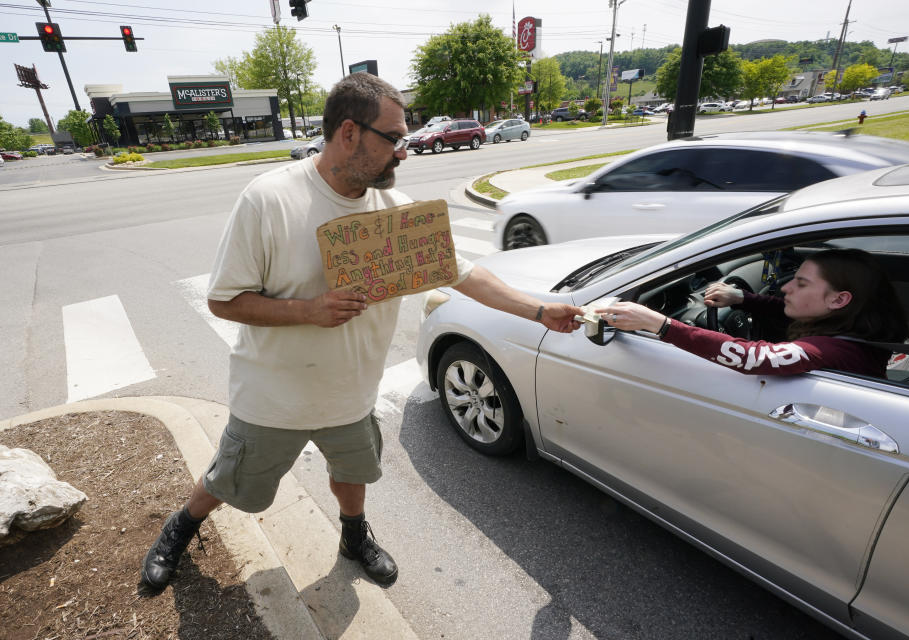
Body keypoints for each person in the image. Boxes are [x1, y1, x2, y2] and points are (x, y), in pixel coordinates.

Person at [140, 73, 582, 592]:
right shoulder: (269, 199)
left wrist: (539, 310)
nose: (404, 152)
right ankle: (181, 526)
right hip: (272, 395)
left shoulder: (396, 214)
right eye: (393, 138)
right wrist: (309, 311)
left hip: (351, 394)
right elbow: (223, 299)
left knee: (354, 474)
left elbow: (463, 274)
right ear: (349, 132)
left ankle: (354, 536)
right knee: (229, 478)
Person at [594, 248, 909, 377]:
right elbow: (785, 311)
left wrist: (660, 324)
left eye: (800, 284)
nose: (786, 289)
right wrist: (742, 298)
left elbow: (752, 358)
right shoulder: (859, 323)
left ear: (839, 300)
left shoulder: (833, 348)